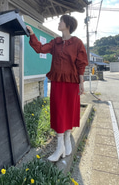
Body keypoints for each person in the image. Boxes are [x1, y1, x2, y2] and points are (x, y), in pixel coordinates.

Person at [26, 14, 88, 162]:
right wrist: (33, 34)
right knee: (59, 111)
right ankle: (60, 146)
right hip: (58, 82)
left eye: (61, 21)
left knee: (69, 111)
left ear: (67, 25)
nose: (58, 23)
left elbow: (81, 64)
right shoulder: (56, 42)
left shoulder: (77, 43)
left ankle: (67, 139)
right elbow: (40, 49)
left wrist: (81, 83)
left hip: (72, 83)